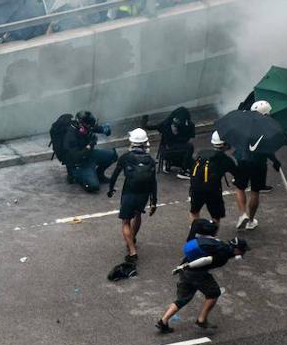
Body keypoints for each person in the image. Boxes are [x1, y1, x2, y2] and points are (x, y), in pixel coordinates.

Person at [155, 236, 249, 333]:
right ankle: (201, 320)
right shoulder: (223, 255)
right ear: (236, 250)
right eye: (242, 251)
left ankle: (163, 321)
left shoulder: (220, 244)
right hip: (195, 271)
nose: (243, 253)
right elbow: (206, 260)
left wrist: (183, 267)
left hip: (185, 269)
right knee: (214, 293)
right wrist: (187, 266)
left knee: (183, 298)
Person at [107, 129, 158, 263]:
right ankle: (133, 239)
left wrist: (111, 189)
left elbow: (114, 176)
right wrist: (154, 201)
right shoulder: (150, 160)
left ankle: (132, 251)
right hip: (144, 195)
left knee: (125, 221)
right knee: (138, 215)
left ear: (132, 142)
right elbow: (153, 182)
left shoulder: (125, 157)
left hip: (129, 193)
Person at [234, 100, 280, 231]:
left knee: (240, 187)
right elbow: (268, 149)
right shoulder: (269, 128)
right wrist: (275, 161)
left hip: (243, 160)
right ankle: (251, 220)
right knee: (255, 191)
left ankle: (242, 214)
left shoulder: (243, 123)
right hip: (259, 163)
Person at [56, 110, 115, 192]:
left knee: (113, 155)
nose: (90, 128)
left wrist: (104, 129)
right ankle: (74, 176)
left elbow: (94, 128)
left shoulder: (83, 126)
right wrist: (90, 145)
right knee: (93, 186)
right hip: (79, 163)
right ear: (81, 124)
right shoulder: (70, 136)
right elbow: (76, 157)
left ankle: (99, 175)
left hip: (89, 155)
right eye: (88, 127)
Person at [189, 131, 238, 228]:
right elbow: (237, 173)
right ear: (224, 144)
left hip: (196, 188)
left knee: (194, 211)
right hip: (213, 191)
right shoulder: (225, 159)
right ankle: (211, 236)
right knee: (216, 216)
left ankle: (194, 231)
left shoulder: (201, 153)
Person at [157, 106, 196, 177]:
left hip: (180, 149)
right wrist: (172, 131)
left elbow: (189, 138)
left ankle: (172, 163)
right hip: (168, 150)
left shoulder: (189, 125)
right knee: (189, 147)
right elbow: (156, 127)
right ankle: (182, 171)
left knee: (193, 164)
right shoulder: (168, 123)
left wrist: (180, 132)